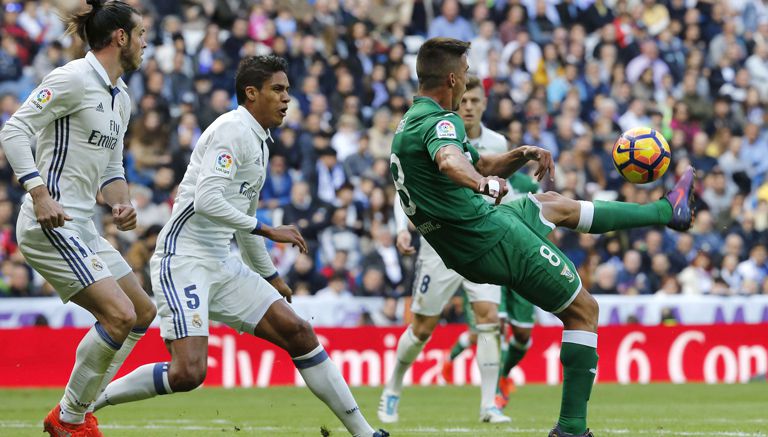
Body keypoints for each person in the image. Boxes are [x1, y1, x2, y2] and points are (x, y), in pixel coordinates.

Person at [387, 37, 695, 437]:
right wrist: (482, 185)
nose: (466, 82)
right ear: (451, 77)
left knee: (552, 203)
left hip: (468, 238)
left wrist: (523, 153)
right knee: (584, 311)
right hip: (489, 236)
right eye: (464, 73)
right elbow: (453, 162)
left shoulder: (411, 121)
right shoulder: (442, 124)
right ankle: (571, 429)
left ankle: (666, 211)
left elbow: (479, 160)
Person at [90, 55, 388, 437]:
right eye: (278, 90)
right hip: (184, 260)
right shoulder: (231, 131)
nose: (286, 99)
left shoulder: (259, 142)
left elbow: (241, 221)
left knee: (299, 332)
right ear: (251, 93)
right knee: (188, 373)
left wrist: (270, 275)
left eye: (288, 91)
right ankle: (87, 403)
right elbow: (207, 201)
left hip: (220, 260)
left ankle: (365, 433)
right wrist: (270, 230)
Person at [0, 1, 153, 436]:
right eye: (140, 33)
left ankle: (73, 411)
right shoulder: (71, 78)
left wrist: (121, 204)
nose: (145, 42)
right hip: (50, 220)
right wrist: (39, 191)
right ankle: (70, 419)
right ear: (120, 37)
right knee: (119, 315)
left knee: (142, 312)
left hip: (84, 223)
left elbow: (111, 169)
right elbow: (13, 130)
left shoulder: (120, 98)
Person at [379, 76, 533, 424]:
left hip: (481, 237)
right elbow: (405, 183)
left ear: (483, 104)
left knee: (489, 319)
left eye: (475, 101)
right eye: (465, 101)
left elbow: (503, 186)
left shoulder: (496, 142)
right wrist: (402, 228)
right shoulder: (433, 128)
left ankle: (489, 404)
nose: (468, 106)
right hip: (438, 243)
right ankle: (392, 388)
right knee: (422, 327)